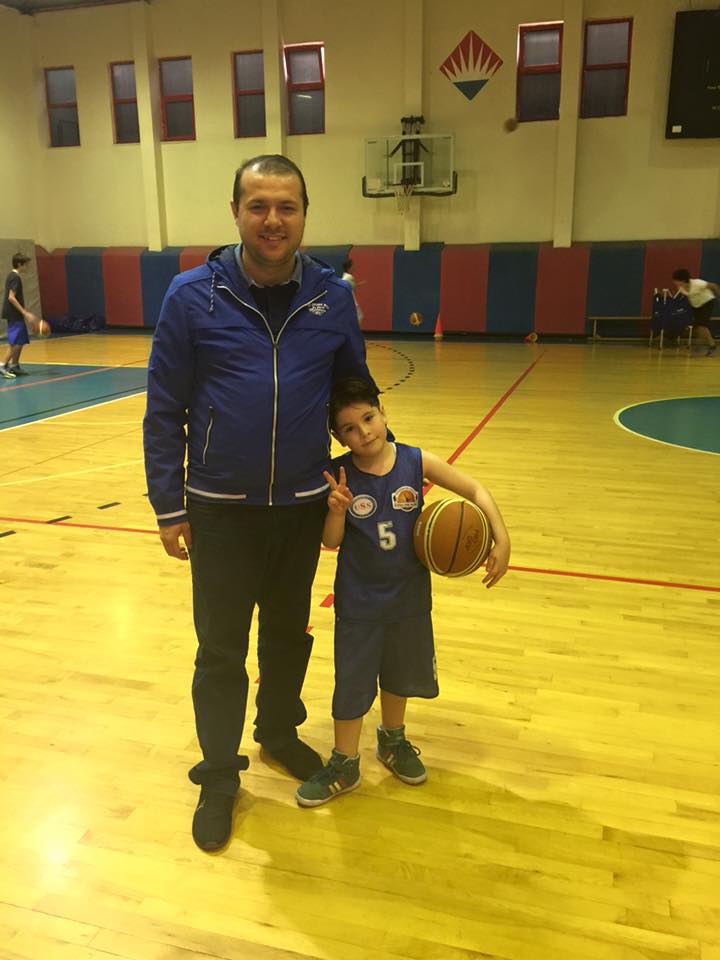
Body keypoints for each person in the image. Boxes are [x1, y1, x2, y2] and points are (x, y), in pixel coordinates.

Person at [143, 155, 381, 851]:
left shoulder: (332, 297)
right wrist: (168, 505)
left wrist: (375, 472)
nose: (273, 220)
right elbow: (164, 408)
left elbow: (354, 394)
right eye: (258, 206)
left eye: (287, 206)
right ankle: (219, 773)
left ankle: (277, 730)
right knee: (221, 649)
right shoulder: (192, 296)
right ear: (236, 212)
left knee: (287, 633)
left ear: (304, 213)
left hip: (303, 504)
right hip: (218, 509)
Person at [296, 378, 511, 808]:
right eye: (350, 428)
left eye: (368, 418)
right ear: (339, 437)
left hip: (409, 599)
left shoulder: (415, 461)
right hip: (359, 603)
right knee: (352, 684)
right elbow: (331, 542)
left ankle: (392, 741)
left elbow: (474, 489)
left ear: (383, 413)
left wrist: (501, 537)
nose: (364, 432)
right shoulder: (340, 474)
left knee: (399, 675)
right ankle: (345, 763)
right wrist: (336, 511)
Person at [1, 253, 37, 379]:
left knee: (21, 340)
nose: (27, 267)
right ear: (19, 264)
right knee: (16, 341)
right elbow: (11, 297)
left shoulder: (13, 276)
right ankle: (3, 365)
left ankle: (14, 365)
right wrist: (25, 312)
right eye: (26, 265)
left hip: (15, 314)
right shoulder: (15, 277)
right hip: (14, 314)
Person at [671, 268, 718, 356]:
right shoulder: (680, 287)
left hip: (707, 302)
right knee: (699, 327)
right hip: (696, 306)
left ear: (682, 280)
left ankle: (708, 346)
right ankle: (706, 346)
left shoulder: (697, 283)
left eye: (676, 280)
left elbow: (714, 286)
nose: (674, 282)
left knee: (702, 325)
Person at [341, 258, 363, 326]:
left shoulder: (345, 276)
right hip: (351, 302)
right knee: (359, 316)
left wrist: (359, 284)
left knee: (356, 317)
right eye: (352, 266)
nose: (354, 268)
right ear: (349, 268)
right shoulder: (349, 277)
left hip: (348, 302)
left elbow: (352, 286)